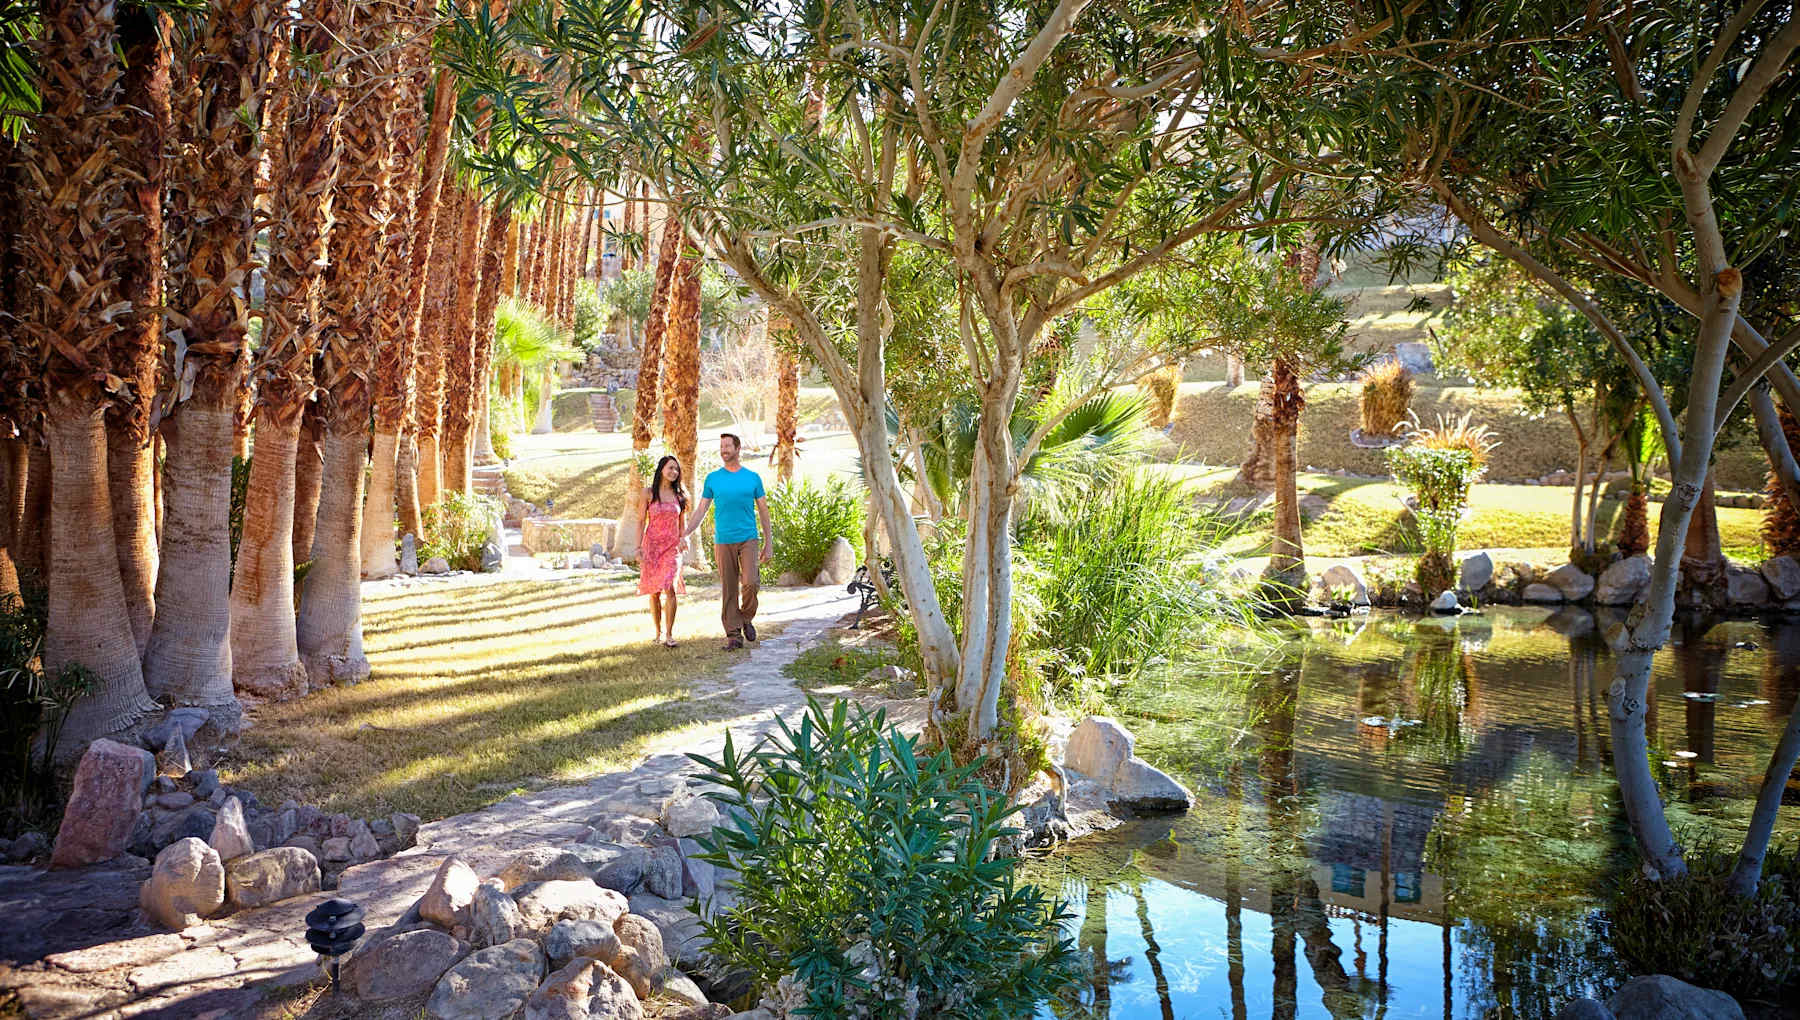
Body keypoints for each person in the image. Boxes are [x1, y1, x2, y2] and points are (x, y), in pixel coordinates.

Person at [682, 433, 773, 650]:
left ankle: (745, 617)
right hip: (723, 541)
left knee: (751, 582)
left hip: (748, 538)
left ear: (737, 449)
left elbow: (763, 510)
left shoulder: (752, 478)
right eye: (721, 446)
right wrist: (685, 532)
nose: (723, 449)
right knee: (729, 588)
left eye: (727, 446)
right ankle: (733, 635)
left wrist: (769, 542)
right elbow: (702, 509)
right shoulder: (713, 478)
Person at [636, 456, 688, 648]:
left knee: (669, 586)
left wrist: (685, 538)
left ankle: (669, 634)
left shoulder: (681, 496)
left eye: (676, 469)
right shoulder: (648, 493)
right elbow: (641, 521)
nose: (674, 472)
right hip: (652, 546)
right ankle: (657, 632)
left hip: (672, 548)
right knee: (655, 592)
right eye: (670, 468)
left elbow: (683, 524)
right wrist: (637, 547)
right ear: (661, 469)